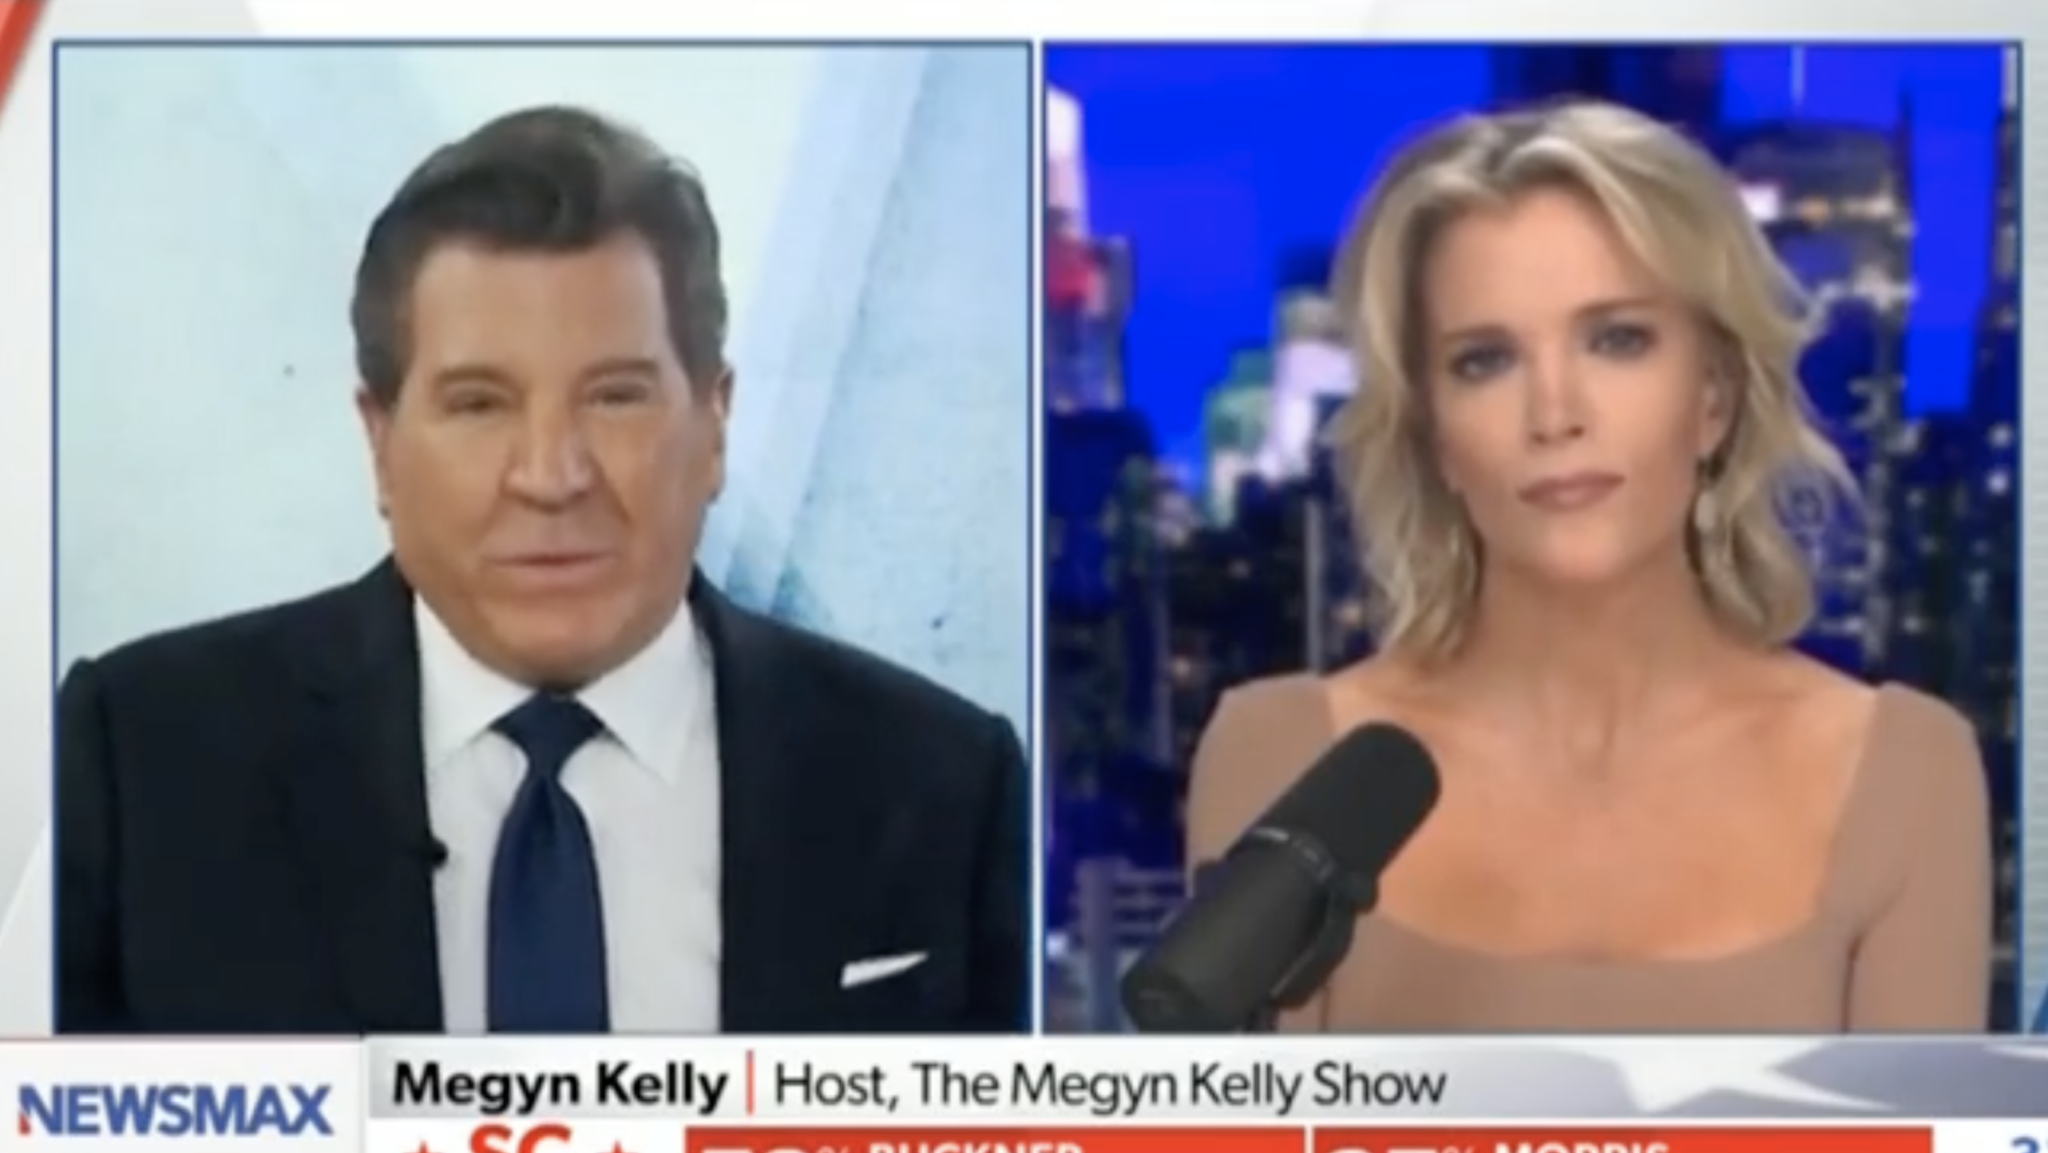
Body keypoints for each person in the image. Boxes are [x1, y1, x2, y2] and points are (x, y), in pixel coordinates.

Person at [57, 105, 1028, 1035]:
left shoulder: (943, 785)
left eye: (615, 397)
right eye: (479, 404)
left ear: (715, 422)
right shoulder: (142, 764)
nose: (551, 476)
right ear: (380, 442)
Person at [1187, 100, 1991, 1032]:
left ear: (1714, 397)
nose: (1555, 413)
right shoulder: (1282, 758)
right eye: (1485, 360)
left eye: (1617, 340)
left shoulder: (1903, 773)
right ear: (1434, 434)